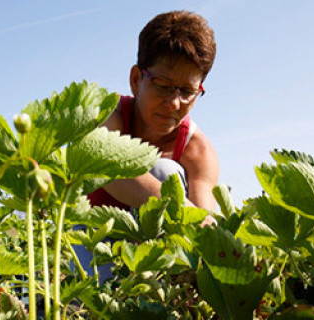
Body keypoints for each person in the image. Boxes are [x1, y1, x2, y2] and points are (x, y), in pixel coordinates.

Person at [87, 10, 219, 212]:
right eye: (163, 86)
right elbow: (106, 167)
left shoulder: (197, 150)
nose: (175, 103)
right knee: (162, 173)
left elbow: (205, 218)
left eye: (187, 91)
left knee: (167, 172)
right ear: (135, 80)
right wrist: (183, 210)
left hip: (157, 242)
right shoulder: (109, 113)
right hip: (94, 235)